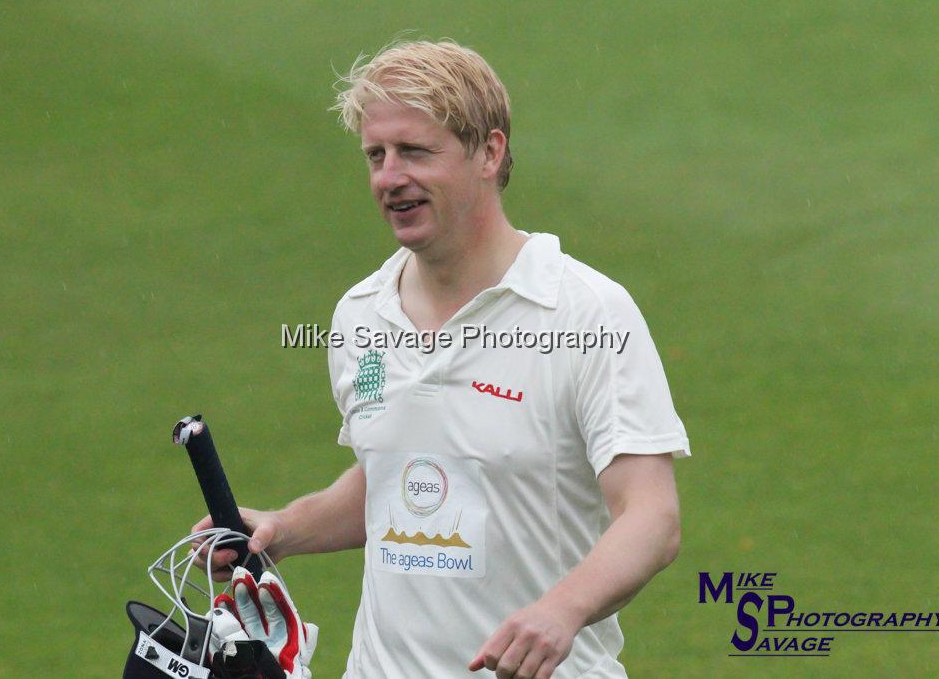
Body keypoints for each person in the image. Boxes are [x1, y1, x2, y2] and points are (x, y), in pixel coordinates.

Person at [194, 40, 690, 679]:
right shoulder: (361, 315)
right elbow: (401, 473)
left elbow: (652, 516)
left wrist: (562, 610)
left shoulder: (585, 313)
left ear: (490, 151)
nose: (388, 177)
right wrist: (282, 530)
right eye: (376, 155)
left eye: (415, 152)